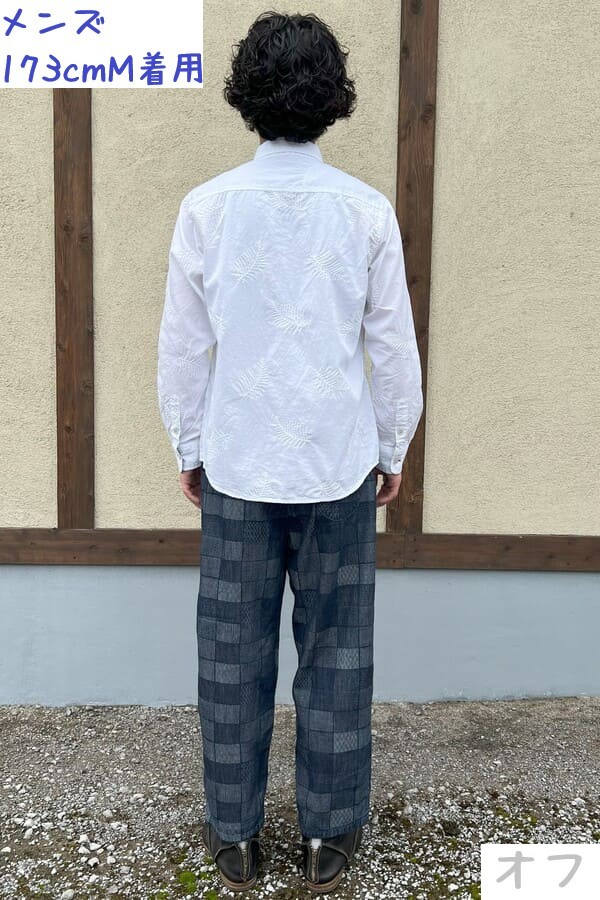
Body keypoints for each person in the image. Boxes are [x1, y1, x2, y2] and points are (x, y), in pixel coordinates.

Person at [157, 10, 423, 894]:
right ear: (332, 98)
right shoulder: (365, 211)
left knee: (230, 653)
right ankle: (327, 835)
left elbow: (184, 346)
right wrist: (393, 445)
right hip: (338, 465)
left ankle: (234, 834)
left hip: (236, 463)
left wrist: (188, 442)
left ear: (248, 95)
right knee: (338, 648)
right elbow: (391, 345)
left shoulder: (207, 207)